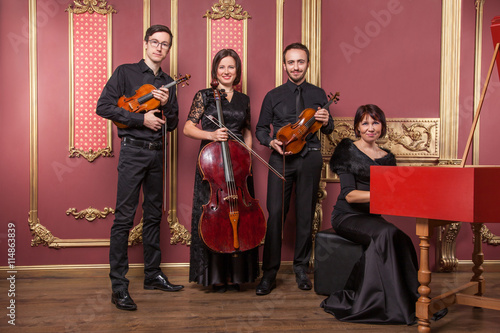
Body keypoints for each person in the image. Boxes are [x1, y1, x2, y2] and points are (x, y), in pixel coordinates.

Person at [96, 24, 184, 311]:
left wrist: (168, 105)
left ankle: (152, 274)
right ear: (146, 44)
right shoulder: (125, 72)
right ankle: (119, 286)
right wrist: (141, 119)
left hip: (157, 154)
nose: (160, 48)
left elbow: (172, 125)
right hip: (132, 151)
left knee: (153, 215)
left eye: (165, 44)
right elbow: (104, 107)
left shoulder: (169, 82)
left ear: (168, 50)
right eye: (155, 42)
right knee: (123, 218)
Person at [320, 104, 420, 324]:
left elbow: (392, 198)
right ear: (357, 127)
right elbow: (350, 196)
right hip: (347, 216)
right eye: (365, 123)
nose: (370, 128)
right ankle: (380, 302)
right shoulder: (347, 151)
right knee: (385, 234)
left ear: (382, 126)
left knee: (400, 237)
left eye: (375, 122)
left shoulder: (388, 158)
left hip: (372, 218)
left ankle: (407, 298)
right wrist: (382, 193)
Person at [255, 42, 334, 295]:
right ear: (284, 64)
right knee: (276, 213)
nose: (296, 66)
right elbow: (259, 129)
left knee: (305, 214)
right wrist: (271, 141)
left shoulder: (319, 94)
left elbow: (329, 129)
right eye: (291, 62)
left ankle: (301, 267)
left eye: (300, 62)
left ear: (307, 64)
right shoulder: (273, 95)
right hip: (282, 158)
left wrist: (327, 119)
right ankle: (269, 273)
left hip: (310, 157)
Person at [183, 49, 260, 292]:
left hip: (238, 167)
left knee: (240, 215)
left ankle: (238, 275)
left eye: (231, 68)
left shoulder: (244, 99)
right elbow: (187, 128)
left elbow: (246, 129)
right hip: (212, 165)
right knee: (214, 218)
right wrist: (211, 134)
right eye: (222, 67)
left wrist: (247, 151)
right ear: (215, 71)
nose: (226, 72)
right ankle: (214, 277)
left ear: (237, 72)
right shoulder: (204, 96)